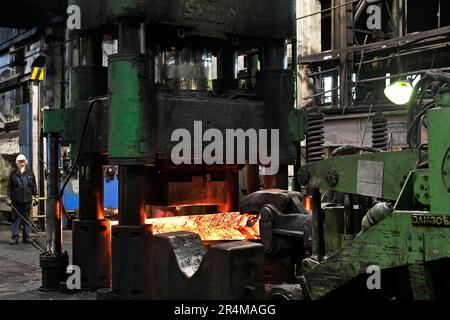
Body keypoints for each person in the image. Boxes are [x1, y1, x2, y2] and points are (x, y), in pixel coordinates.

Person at [6, 154, 38, 245]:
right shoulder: (13, 174)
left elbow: (33, 186)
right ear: (17, 163)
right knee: (15, 220)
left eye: (23, 161)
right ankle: (15, 237)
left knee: (26, 219)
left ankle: (26, 237)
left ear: (26, 162)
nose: (22, 163)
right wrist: (8, 198)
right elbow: (9, 188)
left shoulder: (30, 173)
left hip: (27, 201)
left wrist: (36, 197)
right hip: (16, 201)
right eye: (20, 162)